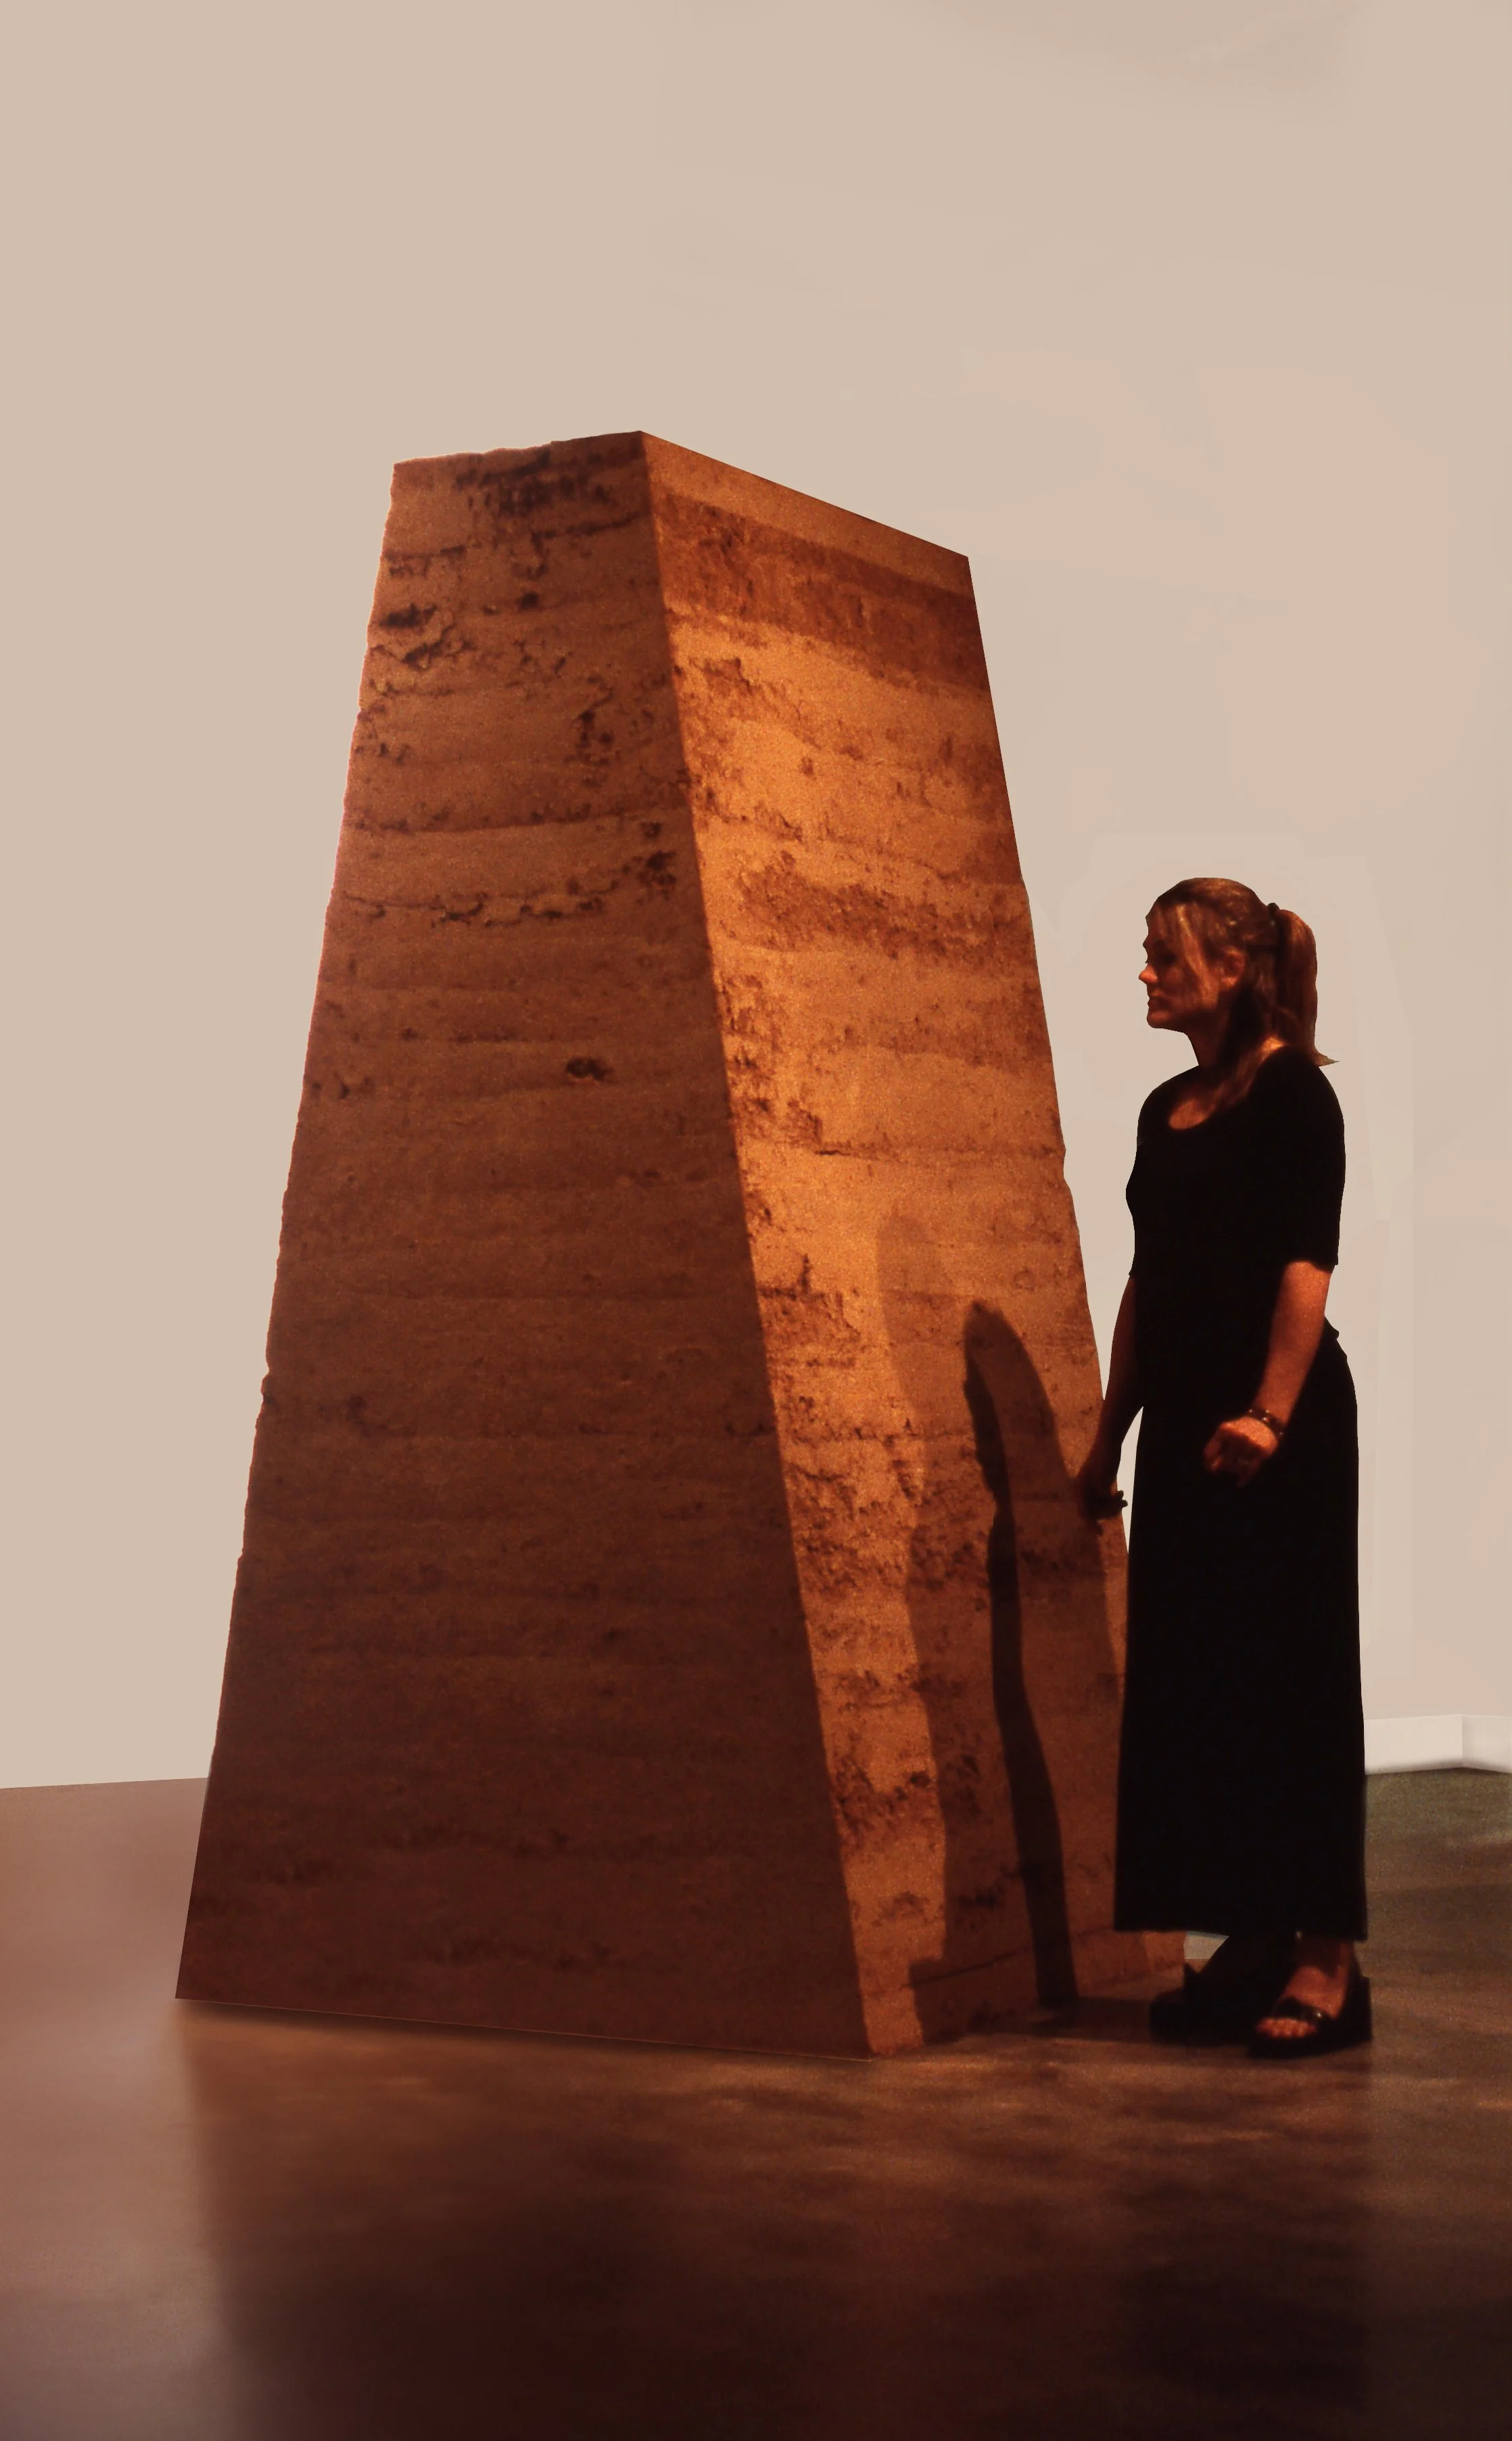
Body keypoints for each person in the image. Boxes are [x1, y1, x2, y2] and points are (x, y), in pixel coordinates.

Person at [1074, 878, 1371, 2058]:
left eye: (1165, 956)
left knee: (1292, 1678)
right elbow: (1150, 1284)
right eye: (1146, 957)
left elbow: (1308, 1263)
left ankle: (1325, 1957)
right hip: (1187, 1431)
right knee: (1204, 1689)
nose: (1146, 974)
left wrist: (1269, 1413)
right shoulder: (1165, 1110)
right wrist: (1108, 1442)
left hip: (1276, 1434)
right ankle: (1251, 1937)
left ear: (1235, 969)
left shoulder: (1296, 1094)